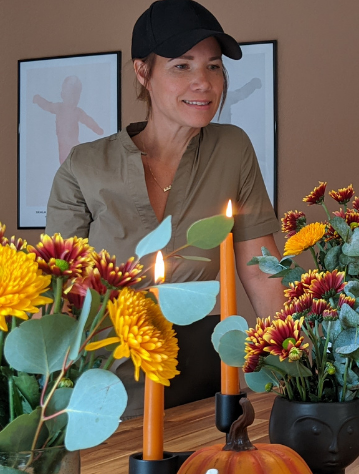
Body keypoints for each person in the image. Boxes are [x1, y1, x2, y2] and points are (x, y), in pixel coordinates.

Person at [45, 0, 285, 417]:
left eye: (213, 66)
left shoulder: (232, 149)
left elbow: (260, 271)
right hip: (104, 384)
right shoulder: (84, 167)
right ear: (143, 72)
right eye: (182, 66)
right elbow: (60, 294)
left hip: (201, 381)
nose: (204, 84)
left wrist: (290, 369)